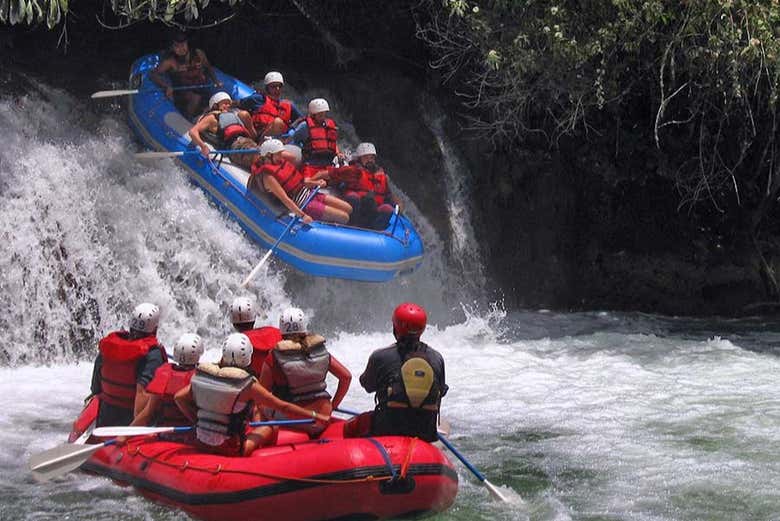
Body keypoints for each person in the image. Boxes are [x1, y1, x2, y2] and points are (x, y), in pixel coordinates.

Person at [174, 333, 330, 456]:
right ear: (248, 357)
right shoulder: (248, 384)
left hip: (201, 441)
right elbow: (283, 406)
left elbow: (179, 398)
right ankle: (267, 458)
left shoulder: (202, 375)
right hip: (229, 448)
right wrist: (315, 416)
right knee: (270, 427)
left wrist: (196, 420)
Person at [343, 303, 447, 442]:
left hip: (387, 429)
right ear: (422, 329)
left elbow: (367, 386)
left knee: (351, 426)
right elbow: (442, 390)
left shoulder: (380, 356)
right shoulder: (437, 358)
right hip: (425, 430)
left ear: (395, 327)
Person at [259, 307, 351, 437]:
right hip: (324, 416)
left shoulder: (274, 357)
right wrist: (334, 405)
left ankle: (260, 440)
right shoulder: (319, 349)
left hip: (298, 420)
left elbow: (262, 396)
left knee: (259, 405)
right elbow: (346, 377)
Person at [89, 303, 168, 428]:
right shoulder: (153, 355)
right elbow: (142, 393)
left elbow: (95, 388)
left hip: (105, 417)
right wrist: (133, 432)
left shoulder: (109, 346)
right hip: (130, 421)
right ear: (155, 329)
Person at [249, 139, 352, 224]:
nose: (281, 156)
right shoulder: (268, 177)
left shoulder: (280, 163)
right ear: (268, 155)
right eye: (278, 154)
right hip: (304, 204)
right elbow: (285, 199)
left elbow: (302, 182)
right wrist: (303, 215)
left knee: (348, 208)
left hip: (311, 193)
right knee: (344, 217)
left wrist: (316, 183)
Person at [311, 142, 402, 229]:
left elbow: (389, 195)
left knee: (387, 208)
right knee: (354, 197)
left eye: (372, 158)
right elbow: (327, 173)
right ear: (359, 158)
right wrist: (311, 180)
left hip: (373, 215)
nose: (370, 160)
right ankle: (351, 227)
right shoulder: (353, 171)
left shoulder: (382, 176)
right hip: (356, 212)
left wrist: (398, 204)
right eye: (366, 157)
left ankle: (378, 233)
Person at [129, 333, 204, 429]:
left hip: (164, 431)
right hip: (189, 433)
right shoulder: (200, 377)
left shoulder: (164, 374)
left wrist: (126, 434)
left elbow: (148, 412)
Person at [149, 31, 221, 118]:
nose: (180, 49)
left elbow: (208, 67)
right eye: (177, 46)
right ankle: (188, 119)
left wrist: (216, 81)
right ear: (172, 47)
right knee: (196, 98)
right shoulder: (170, 61)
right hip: (182, 92)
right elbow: (153, 74)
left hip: (201, 88)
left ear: (187, 44)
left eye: (183, 45)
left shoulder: (198, 54)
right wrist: (166, 86)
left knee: (212, 101)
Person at [188, 92, 259, 169]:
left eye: (229, 104)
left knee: (267, 154)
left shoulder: (232, 114)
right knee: (257, 156)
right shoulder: (212, 117)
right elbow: (193, 132)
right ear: (215, 105)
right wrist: (203, 146)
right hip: (235, 147)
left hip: (247, 141)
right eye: (225, 103)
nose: (228, 106)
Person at [289, 98, 345, 179]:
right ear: (313, 114)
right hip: (311, 163)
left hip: (328, 163)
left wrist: (338, 153)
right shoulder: (305, 126)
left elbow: (332, 142)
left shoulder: (329, 125)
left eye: (324, 113)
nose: (322, 116)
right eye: (320, 114)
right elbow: (295, 140)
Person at [238, 71, 303, 138]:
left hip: (273, 138)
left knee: (278, 122)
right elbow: (238, 103)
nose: (277, 89)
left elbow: (302, 119)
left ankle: (259, 145)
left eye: (279, 86)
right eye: (273, 86)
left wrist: (292, 128)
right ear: (267, 88)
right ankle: (251, 139)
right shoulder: (258, 99)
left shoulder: (289, 106)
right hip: (255, 133)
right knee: (243, 114)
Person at [230, 296, 282, 377]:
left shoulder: (234, 344)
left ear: (233, 323)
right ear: (254, 318)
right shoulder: (275, 332)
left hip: (257, 384)